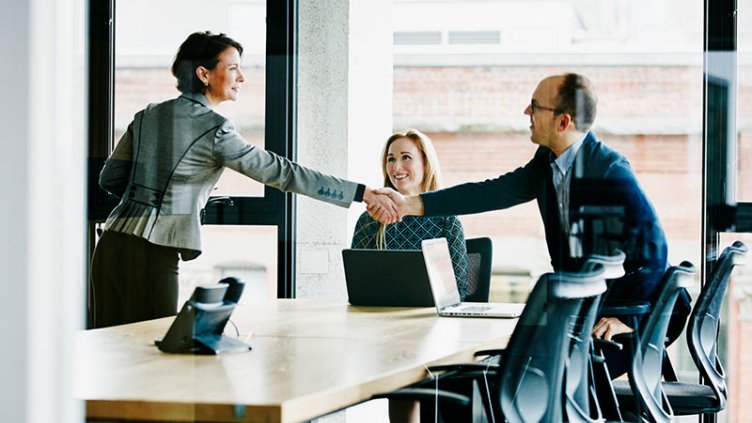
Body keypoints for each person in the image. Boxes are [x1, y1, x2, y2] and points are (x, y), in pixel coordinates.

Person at [371, 73, 691, 377]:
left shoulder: (609, 170)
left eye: (535, 106)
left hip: (621, 321)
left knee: (516, 380)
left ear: (563, 121)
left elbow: (654, 251)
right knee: (490, 372)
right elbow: (493, 192)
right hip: (581, 318)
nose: (527, 111)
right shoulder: (548, 161)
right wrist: (411, 204)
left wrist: (627, 318)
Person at [90, 31, 397, 328]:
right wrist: (361, 193)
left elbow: (110, 178)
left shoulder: (148, 115)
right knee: (151, 356)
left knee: (109, 351)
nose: (242, 77)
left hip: (110, 244)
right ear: (204, 74)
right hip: (153, 253)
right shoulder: (215, 129)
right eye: (233, 67)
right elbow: (282, 172)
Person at [351, 129, 469, 298]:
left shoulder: (446, 219)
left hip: (431, 319)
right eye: (391, 159)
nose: (396, 167)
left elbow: (459, 289)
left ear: (426, 163)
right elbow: (358, 286)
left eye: (406, 157)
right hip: (379, 317)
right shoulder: (371, 218)